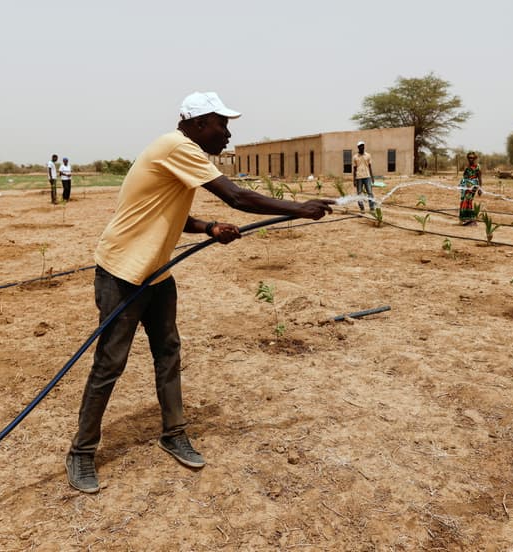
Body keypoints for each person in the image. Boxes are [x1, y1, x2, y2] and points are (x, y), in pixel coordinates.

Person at [65, 91, 334, 494]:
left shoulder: (181, 152)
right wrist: (299, 208)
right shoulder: (178, 146)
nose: (227, 133)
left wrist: (208, 228)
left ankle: (174, 432)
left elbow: (169, 211)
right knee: (109, 364)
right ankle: (81, 453)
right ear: (195, 124)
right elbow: (238, 197)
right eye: (221, 124)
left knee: (169, 352)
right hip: (122, 273)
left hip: (155, 272)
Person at [458, 151, 483, 225]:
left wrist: (480, 189)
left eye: (472, 158)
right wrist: (461, 184)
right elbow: (464, 176)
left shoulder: (478, 167)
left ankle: (469, 219)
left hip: (473, 185)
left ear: (475, 158)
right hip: (465, 185)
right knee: (463, 200)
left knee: (468, 200)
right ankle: (464, 219)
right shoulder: (467, 166)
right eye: (469, 158)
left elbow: (480, 178)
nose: (470, 159)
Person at [352, 141, 376, 212]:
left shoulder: (368, 155)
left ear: (364, 146)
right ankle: (362, 208)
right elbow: (354, 169)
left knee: (370, 192)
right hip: (359, 177)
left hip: (367, 176)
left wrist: (372, 177)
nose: (362, 147)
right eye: (360, 146)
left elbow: (370, 166)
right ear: (358, 147)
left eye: (363, 145)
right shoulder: (355, 157)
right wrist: (354, 180)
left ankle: (372, 208)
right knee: (359, 193)